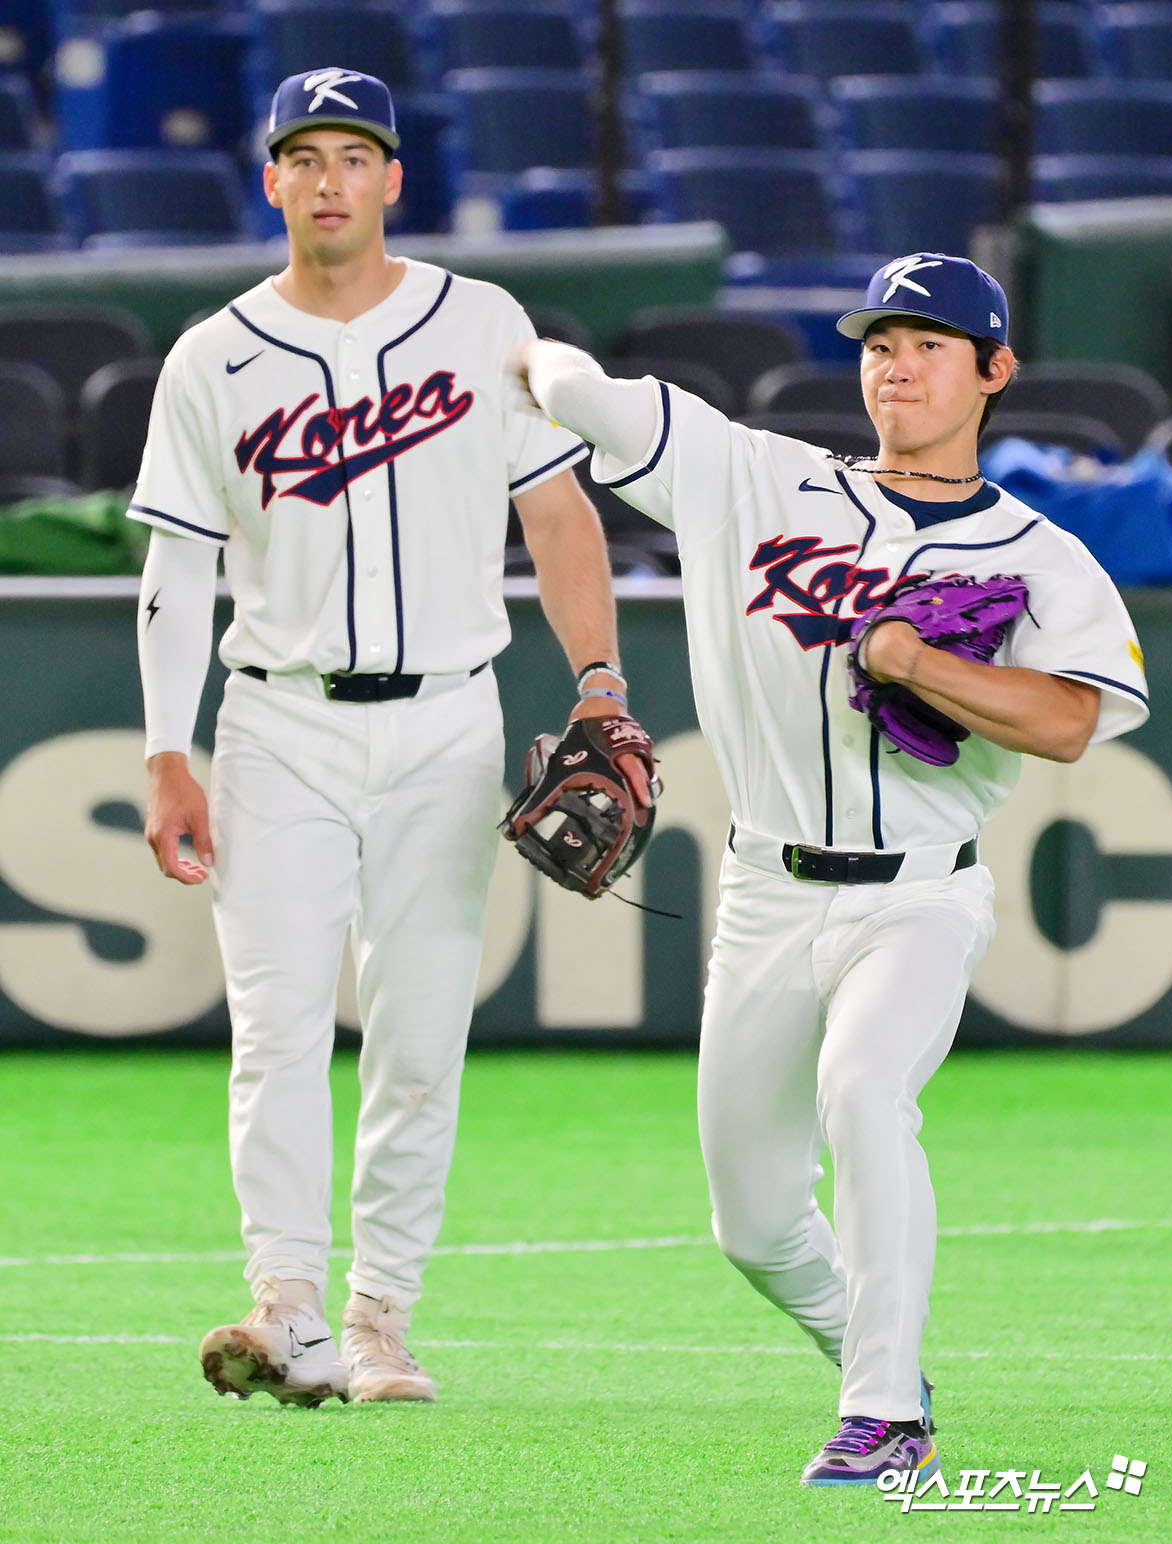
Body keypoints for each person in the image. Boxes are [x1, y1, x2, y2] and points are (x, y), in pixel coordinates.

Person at [515, 253, 1149, 1485]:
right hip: (765, 890)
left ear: (995, 370)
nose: (896, 366)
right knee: (753, 1221)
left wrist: (923, 665)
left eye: (929, 345)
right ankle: (881, 1361)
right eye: (879, 345)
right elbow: (576, 389)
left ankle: (883, 1413)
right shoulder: (754, 477)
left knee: (864, 1089)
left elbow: (1072, 719)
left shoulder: (1041, 555)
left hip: (919, 891)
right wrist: (518, 347)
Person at [131, 67, 645, 1407]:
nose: (329, 180)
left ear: (394, 178)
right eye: (305, 156)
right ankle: (287, 1302)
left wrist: (600, 685)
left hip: (446, 717)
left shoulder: (481, 324)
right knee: (277, 1026)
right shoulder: (213, 355)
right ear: (272, 181)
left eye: (354, 155)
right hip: (277, 718)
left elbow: (557, 515)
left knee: (418, 1033)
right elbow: (177, 565)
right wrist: (166, 750)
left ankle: (381, 1315)